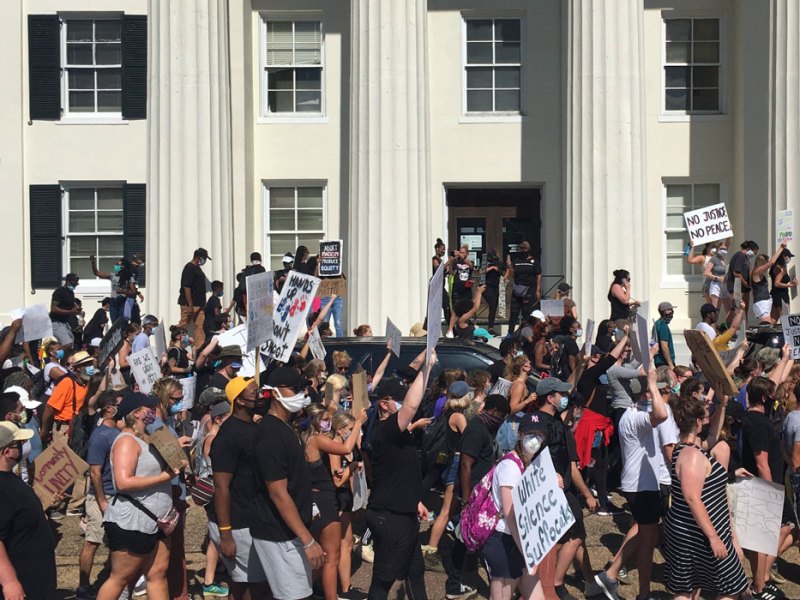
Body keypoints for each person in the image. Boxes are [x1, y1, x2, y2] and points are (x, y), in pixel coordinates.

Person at [96, 392, 184, 600]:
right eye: (149, 408)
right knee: (121, 578)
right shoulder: (126, 441)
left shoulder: (146, 439)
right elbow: (123, 482)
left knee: (157, 574)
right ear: (136, 413)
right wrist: (164, 477)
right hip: (133, 522)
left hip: (158, 520)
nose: (153, 411)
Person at [663, 389, 748, 600]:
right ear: (698, 422)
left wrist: (723, 405)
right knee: (731, 588)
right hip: (698, 532)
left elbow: (712, 436)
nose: (709, 420)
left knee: (686, 588)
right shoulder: (691, 455)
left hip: (693, 530)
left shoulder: (689, 447)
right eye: (706, 417)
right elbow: (692, 498)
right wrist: (713, 538)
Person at [594, 367, 668, 600]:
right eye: (657, 391)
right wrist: (653, 384)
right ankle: (622, 581)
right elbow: (661, 415)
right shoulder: (636, 417)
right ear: (646, 394)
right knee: (647, 540)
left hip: (641, 484)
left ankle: (615, 576)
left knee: (645, 535)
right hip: (641, 486)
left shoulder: (632, 414)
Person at [250, 367, 320, 600]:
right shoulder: (270, 436)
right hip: (279, 534)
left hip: (289, 530)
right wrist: (308, 541)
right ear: (275, 392)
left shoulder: (284, 427)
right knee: (296, 596)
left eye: (303, 388)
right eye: (295, 388)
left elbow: (291, 480)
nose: (302, 393)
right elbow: (278, 494)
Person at [367, 366, 432, 600]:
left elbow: (403, 472)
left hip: (404, 512)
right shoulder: (385, 430)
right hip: (389, 517)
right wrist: (427, 367)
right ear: (384, 404)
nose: (405, 405)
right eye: (399, 400)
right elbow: (411, 406)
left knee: (415, 571)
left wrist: (416, 500)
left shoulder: (400, 433)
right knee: (384, 578)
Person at [210, 377, 270, 600]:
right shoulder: (228, 436)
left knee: (249, 584)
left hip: (252, 518)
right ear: (240, 401)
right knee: (253, 586)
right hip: (237, 523)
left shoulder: (253, 427)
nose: (260, 397)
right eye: (255, 393)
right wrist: (226, 535)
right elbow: (221, 486)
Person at [302, 403, 367, 600]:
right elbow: (345, 448)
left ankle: (308, 591)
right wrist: (358, 423)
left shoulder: (304, 438)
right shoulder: (316, 439)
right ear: (316, 421)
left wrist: (332, 405)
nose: (328, 422)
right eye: (325, 420)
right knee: (332, 555)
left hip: (313, 497)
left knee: (320, 552)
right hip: (323, 499)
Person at [741, 377, 794, 598]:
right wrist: (771, 492)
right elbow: (761, 462)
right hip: (762, 488)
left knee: (782, 528)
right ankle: (759, 587)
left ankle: (761, 579)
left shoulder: (752, 419)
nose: (775, 399)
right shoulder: (758, 423)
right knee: (761, 539)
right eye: (772, 395)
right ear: (764, 398)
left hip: (763, 486)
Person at [482, 419, 545, 600]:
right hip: (504, 540)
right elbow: (510, 516)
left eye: (540, 435)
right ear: (520, 435)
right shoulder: (510, 467)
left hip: (520, 541)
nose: (535, 439)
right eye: (530, 434)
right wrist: (528, 553)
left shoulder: (530, 463)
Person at [0, 421, 57, 600]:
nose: (24, 446)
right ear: (6, 452)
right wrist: (9, 582)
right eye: (19, 444)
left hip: (35, 579)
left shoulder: (10, 478)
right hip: (21, 581)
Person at [77, 391, 122, 600]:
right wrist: (102, 500)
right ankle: (83, 587)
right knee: (92, 541)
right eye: (119, 404)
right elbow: (95, 472)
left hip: (117, 495)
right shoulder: (100, 437)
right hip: (101, 497)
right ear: (109, 409)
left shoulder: (117, 432)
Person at [422, 387, 471, 571]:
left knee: (448, 511)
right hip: (455, 463)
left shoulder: (447, 412)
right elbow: (469, 440)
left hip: (448, 462)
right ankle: (431, 551)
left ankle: (432, 548)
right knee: (446, 512)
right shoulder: (459, 417)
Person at [329, 411, 366, 600]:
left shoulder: (347, 446)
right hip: (338, 500)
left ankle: (339, 586)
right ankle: (343, 589)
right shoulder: (334, 447)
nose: (354, 432)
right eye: (351, 429)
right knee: (344, 544)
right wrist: (352, 467)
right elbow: (337, 481)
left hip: (346, 500)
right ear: (340, 429)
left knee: (345, 543)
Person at [177, 248, 212, 347]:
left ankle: (199, 348)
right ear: (198, 257)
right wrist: (190, 305)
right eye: (204, 258)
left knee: (200, 327)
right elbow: (186, 287)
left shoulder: (197, 268)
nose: (205, 261)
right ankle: (173, 346)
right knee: (183, 326)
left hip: (200, 304)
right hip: (189, 304)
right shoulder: (189, 268)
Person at [506, 241, 542, 333]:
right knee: (514, 312)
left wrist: (538, 290)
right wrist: (509, 266)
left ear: (529, 250)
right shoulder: (516, 261)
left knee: (526, 312)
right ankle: (510, 333)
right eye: (522, 249)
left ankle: (525, 332)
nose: (524, 251)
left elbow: (538, 275)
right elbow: (511, 274)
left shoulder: (534, 261)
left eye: (525, 249)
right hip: (517, 288)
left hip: (530, 288)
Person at [750, 244, 787, 324]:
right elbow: (771, 262)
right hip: (761, 303)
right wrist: (781, 248)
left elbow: (753, 292)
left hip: (764, 301)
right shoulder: (757, 272)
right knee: (766, 326)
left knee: (770, 323)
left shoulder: (758, 273)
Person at [50, 272, 82, 349]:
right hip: (55, 322)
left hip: (64, 323)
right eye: (74, 283)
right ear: (68, 282)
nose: (75, 286)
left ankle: (64, 356)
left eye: (76, 284)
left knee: (71, 343)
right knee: (67, 343)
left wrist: (77, 311)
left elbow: (69, 308)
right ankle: (53, 351)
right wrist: (70, 312)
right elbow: (54, 308)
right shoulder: (59, 292)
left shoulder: (71, 293)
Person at [726, 240, 759, 313]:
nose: (754, 254)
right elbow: (736, 273)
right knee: (738, 310)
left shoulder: (745, 257)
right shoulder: (740, 256)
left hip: (744, 289)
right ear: (749, 249)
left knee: (744, 309)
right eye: (754, 252)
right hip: (738, 288)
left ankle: (744, 320)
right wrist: (745, 284)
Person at [703, 240, 732, 318]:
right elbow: (706, 273)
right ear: (717, 249)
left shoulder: (724, 260)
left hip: (724, 286)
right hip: (716, 284)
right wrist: (718, 278)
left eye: (725, 249)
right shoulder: (714, 259)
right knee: (715, 309)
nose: (723, 250)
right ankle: (713, 325)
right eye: (721, 248)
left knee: (729, 309)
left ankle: (727, 325)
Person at [770, 247, 797, 322]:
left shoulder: (775, 267)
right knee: (785, 320)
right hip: (782, 295)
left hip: (775, 294)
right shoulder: (781, 268)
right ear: (784, 256)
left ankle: (768, 329)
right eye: (788, 256)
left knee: (773, 319)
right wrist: (791, 285)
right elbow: (777, 283)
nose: (789, 259)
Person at [433, 238, 452, 326]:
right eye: (442, 249)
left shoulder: (441, 261)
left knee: (447, 307)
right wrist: (448, 263)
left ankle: (450, 326)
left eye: (444, 250)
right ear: (437, 249)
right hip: (437, 288)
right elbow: (438, 269)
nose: (443, 251)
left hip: (441, 286)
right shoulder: (435, 259)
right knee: (444, 306)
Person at [484, 249, 503, 335]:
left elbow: (503, 272)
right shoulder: (485, 263)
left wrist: (496, 269)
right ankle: (490, 327)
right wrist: (491, 268)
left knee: (494, 306)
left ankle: (491, 327)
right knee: (492, 303)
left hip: (495, 286)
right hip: (487, 285)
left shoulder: (499, 263)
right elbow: (481, 271)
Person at [653, 302, 676, 370]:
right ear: (666, 311)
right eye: (671, 310)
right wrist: (671, 364)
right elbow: (664, 347)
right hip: (664, 362)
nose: (672, 312)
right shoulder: (663, 325)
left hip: (659, 361)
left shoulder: (657, 323)